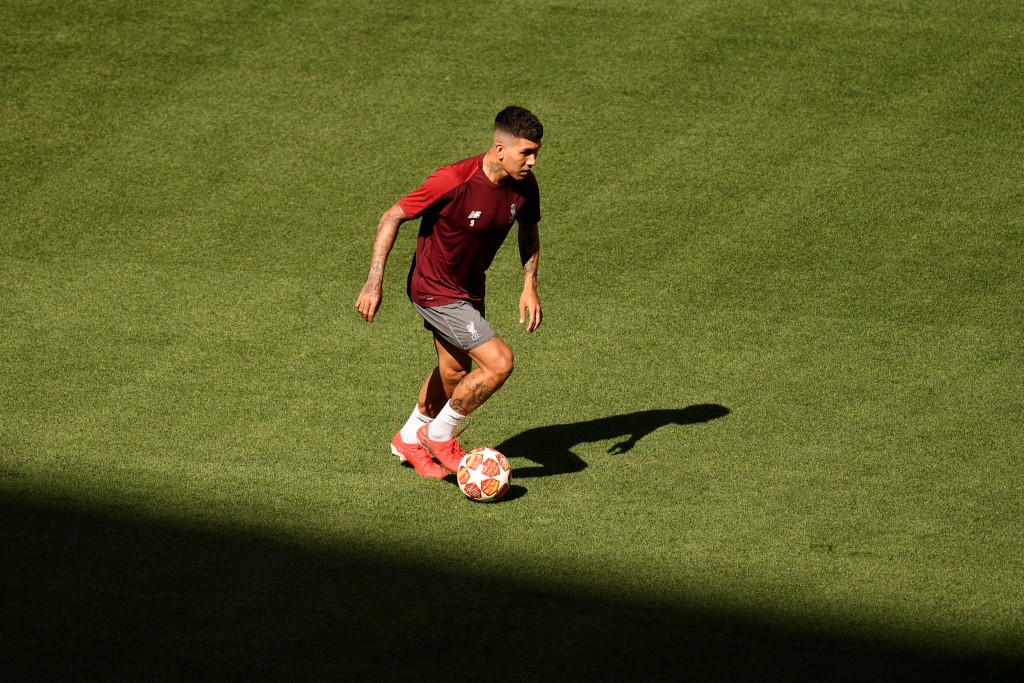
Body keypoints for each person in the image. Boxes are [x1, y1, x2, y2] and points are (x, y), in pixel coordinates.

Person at [355, 106, 545, 478]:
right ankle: (439, 435)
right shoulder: (453, 180)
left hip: (470, 287)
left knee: (455, 371)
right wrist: (374, 282)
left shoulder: (524, 185)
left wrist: (530, 284)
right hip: (434, 289)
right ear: (500, 149)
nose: (533, 161)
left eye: (536, 152)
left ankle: (408, 439)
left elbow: (528, 230)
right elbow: (392, 216)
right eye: (526, 152)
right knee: (499, 363)